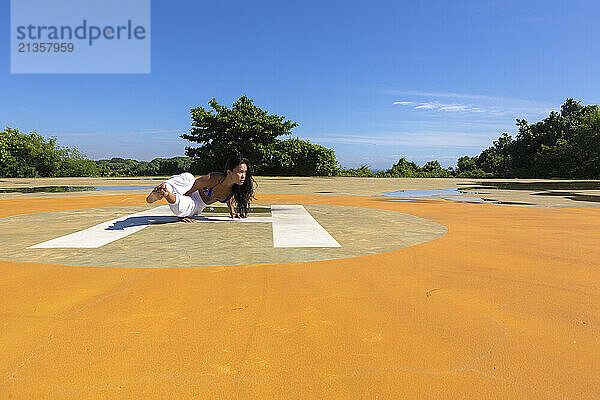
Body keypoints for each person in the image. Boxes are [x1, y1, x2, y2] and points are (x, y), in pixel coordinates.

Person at [146, 154, 255, 223]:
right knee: (187, 179)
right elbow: (193, 186)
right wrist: (181, 199)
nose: (243, 176)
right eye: (240, 172)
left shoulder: (235, 189)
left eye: (245, 172)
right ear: (229, 172)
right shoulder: (214, 178)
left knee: (183, 206)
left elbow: (229, 198)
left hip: (198, 204)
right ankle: (163, 189)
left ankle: (165, 194)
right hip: (190, 189)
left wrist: (232, 212)